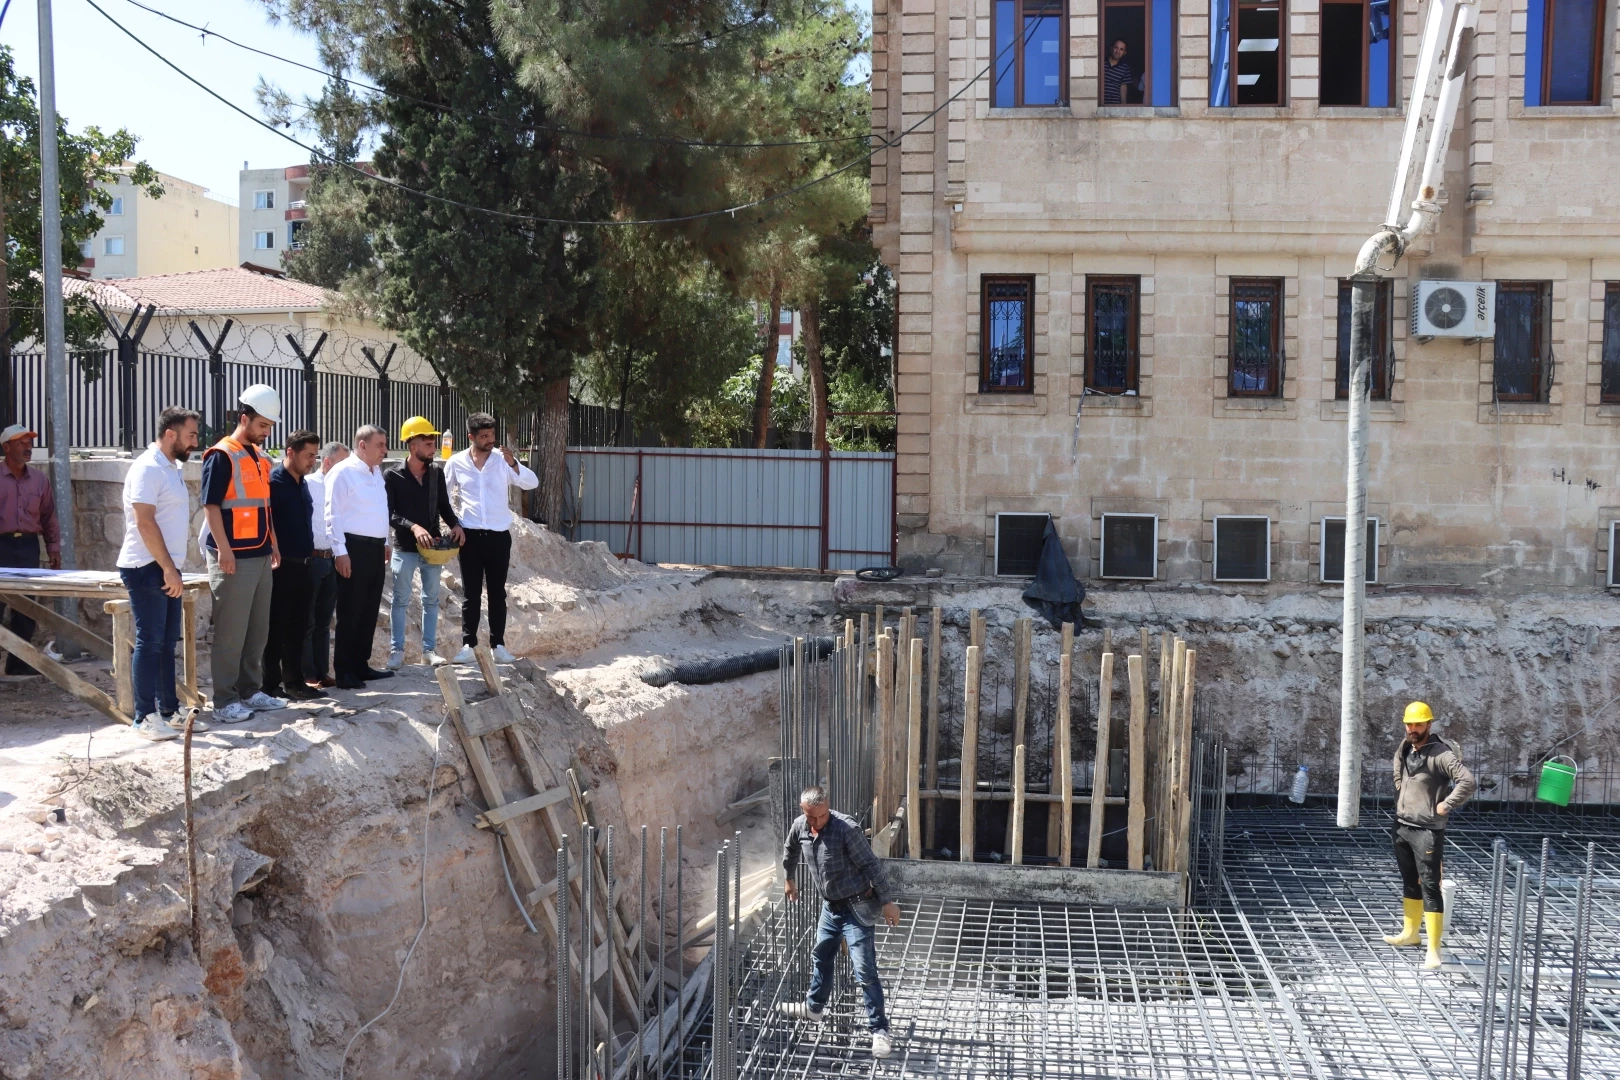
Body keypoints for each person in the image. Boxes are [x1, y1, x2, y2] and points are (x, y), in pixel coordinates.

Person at [779, 785, 899, 1059]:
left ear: (828, 807)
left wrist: (887, 902)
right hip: (830, 908)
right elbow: (790, 850)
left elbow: (871, 865)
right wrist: (789, 879)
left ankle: (879, 1030)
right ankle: (814, 1008)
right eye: (811, 816)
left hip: (856, 907)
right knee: (821, 956)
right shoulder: (800, 826)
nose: (817, 821)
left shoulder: (846, 829)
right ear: (803, 810)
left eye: (821, 816)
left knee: (864, 970)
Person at [116, 408, 203, 741]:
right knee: (150, 642)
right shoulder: (147, 468)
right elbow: (144, 521)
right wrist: (167, 567)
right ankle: (144, 717)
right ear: (170, 434)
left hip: (166, 566)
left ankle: (169, 711)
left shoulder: (171, 468)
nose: (195, 442)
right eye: (191, 435)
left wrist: (171, 567)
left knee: (166, 643)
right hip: (145, 566)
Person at [201, 386, 285, 723]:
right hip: (233, 556)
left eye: (270, 427)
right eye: (262, 425)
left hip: (260, 553)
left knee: (257, 632)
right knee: (230, 634)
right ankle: (224, 701)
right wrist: (224, 549)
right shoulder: (222, 455)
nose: (266, 432)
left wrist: (273, 543)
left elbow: (264, 507)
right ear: (244, 418)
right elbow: (210, 506)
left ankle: (250, 691)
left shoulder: (260, 458)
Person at [1383, 700, 1476, 969]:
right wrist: (1400, 787)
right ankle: (1410, 934)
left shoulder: (1441, 754)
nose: (1413, 728)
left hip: (1427, 830)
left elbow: (1468, 781)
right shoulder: (1405, 746)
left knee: (1431, 886)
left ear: (1429, 724)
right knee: (1410, 881)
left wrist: (1446, 804)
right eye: (1409, 724)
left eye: (1418, 724)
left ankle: (1434, 950)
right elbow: (1397, 764)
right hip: (1402, 825)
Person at [444, 412, 537, 665]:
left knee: (497, 593)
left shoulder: (502, 461)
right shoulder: (456, 462)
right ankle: (468, 645)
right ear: (471, 437)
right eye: (484, 436)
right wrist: (453, 524)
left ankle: (498, 646)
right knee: (471, 594)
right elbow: (443, 496)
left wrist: (513, 463)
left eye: (492, 434)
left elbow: (532, 482)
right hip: (470, 537)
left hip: (498, 537)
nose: (490, 440)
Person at [384, 417, 463, 668]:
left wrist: (455, 525)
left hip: (432, 549)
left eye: (433, 443)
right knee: (400, 600)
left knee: (431, 600)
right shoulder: (392, 475)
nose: (433, 448)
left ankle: (428, 652)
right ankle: (397, 652)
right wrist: (414, 526)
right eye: (428, 444)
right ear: (412, 445)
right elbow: (389, 514)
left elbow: (443, 505)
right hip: (405, 548)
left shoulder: (436, 473)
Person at [326, 425, 393, 690]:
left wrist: (385, 541)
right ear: (362, 445)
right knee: (351, 610)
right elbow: (333, 514)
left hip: (375, 549)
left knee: (368, 609)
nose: (385, 450)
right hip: (353, 548)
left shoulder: (376, 473)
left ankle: (360, 665)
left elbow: (380, 509)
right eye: (380, 445)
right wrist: (340, 552)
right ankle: (344, 671)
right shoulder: (343, 472)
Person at [262, 431, 322, 702]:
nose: (313, 461)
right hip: (282, 566)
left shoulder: (303, 483)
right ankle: (270, 685)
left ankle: (295, 682)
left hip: (305, 564)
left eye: (315, 455)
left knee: (299, 627)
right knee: (276, 627)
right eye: (308, 455)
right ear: (290, 452)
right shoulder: (273, 482)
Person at [0, 423, 61, 674]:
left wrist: (53, 548)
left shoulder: (39, 480)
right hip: (1, 545)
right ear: (6, 447)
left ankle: (18, 665)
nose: (28, 448)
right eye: (21, 443)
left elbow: (48, 516)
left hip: (27, 547)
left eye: (30, 443)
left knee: (26, 607)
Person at [301, 441, 348, 689]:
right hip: (311, 559)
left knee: (324, 621)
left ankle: (322, 672)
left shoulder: (343, 488)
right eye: (342, 463)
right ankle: (307, 674)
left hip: (333, 559)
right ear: (327, 462)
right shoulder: (308, 484)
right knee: (307, 620)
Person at [1102, 38, 1141, 105]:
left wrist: (1123, 108)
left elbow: (1123, 92)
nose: (1118, 51)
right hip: (1100, 105)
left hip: (1115, 106)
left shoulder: (1125, 68)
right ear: (1111, 48)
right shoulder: (1101, 62)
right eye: (1116, 48)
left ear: (1124, 53)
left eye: (1121, 49)